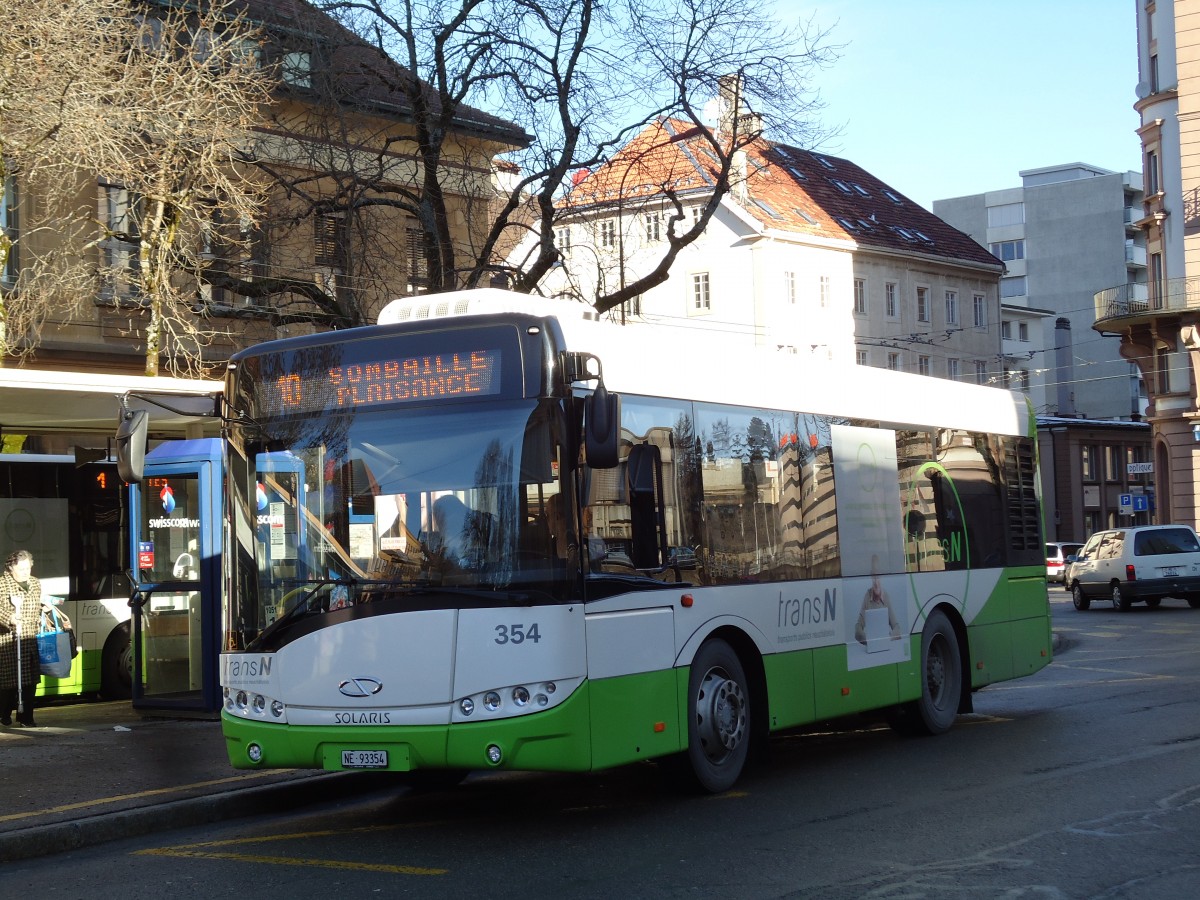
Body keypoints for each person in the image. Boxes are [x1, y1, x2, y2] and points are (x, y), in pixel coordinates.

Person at [0, 550, 47, 727]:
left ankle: (26, 718)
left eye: (28, 568)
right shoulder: (2, 584)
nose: (26, 572)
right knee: (8, 682)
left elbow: (35, 606)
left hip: (29, 638)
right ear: (11, 567)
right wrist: (9, 618)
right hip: (8, 640)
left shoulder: (35, 583)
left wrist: (45, 609)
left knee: (29, 683)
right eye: (21, 568)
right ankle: (4, 714)